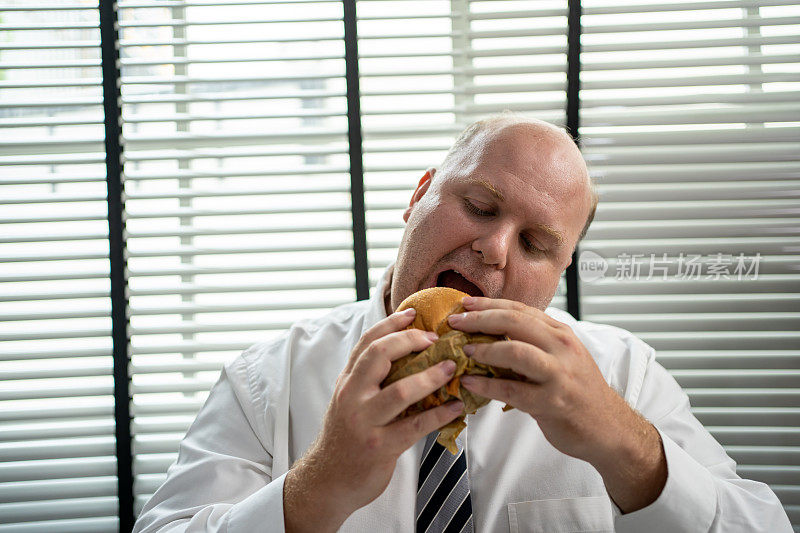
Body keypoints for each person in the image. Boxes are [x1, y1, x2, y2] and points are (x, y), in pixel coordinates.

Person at [133, 114, 792, 532]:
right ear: (419, 195)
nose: (495, 249)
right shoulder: (266, 382)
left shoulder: (622, 373)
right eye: (480, 206)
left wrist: (623, 445)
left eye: (536, 245)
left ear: (560, 273)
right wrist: (320, 486)